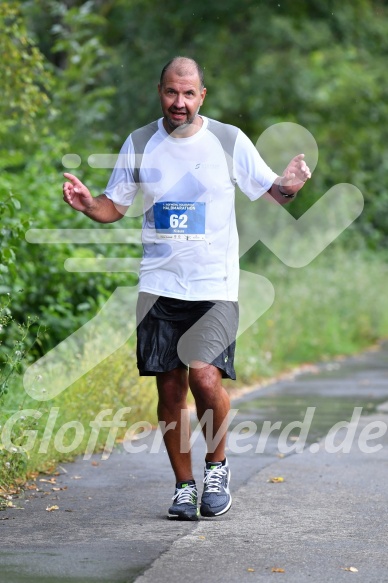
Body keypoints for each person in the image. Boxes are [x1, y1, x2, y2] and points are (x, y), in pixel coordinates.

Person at [63, 56, 311, 521]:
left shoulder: (228, 140)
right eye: (172, 93)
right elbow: (112, 207)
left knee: (204, 376)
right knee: (171, 391)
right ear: (160, 91)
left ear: (202, 95)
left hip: (214, 284)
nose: (180, 102)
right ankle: (183, 486)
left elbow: (273, 192)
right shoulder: (139, 143)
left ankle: (216, 467)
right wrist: (86, 205)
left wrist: (291, 185)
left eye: (189, 93)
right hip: (159, 285)